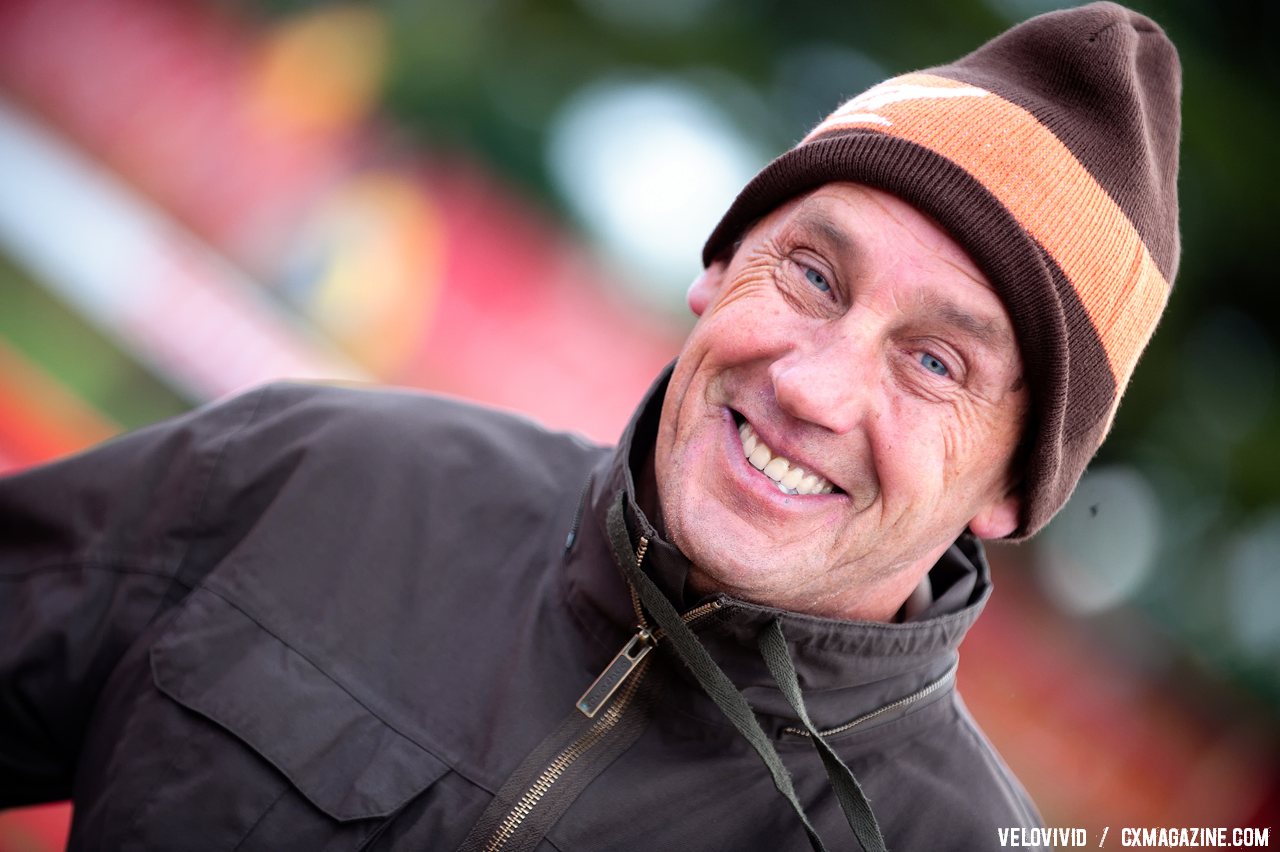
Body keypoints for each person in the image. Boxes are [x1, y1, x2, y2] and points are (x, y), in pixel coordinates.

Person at [0, 3, 1180, 850]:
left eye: (932, 362)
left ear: (1012, 490)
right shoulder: (324, 476)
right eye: (812, 276)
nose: (814, 390)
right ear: (718, 267)